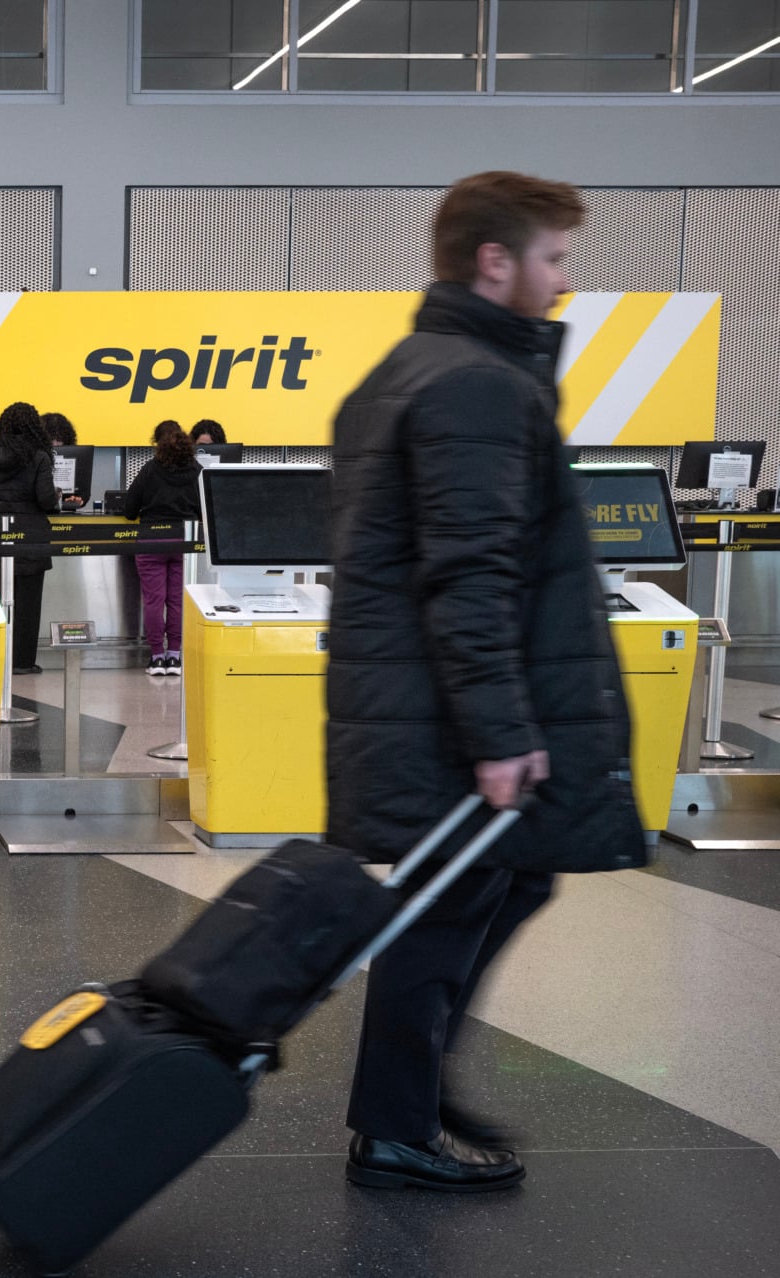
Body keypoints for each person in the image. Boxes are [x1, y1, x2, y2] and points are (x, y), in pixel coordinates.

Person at [330, 171, 644, 1193]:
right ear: (494, 261)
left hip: (423, 706)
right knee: (453, 901)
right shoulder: (475, 382)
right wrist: (501, 732)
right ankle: (396, 1126)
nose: (564, 281)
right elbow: (468, 573)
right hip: (449, 717)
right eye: (552, 258)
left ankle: (417, 1093)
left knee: (507, 878)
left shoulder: (411, 369)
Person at [0, 401, 65, 676]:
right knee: (28, 604)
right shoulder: (39, 456)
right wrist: (56, 497)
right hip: (31, 535)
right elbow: (44, 499)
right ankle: (22, 662)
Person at [121, 419, 201, 675]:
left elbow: (129, 510)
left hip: (151, 540)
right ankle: (175, 656)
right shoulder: (197, 471)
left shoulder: (150, 469)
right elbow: (204, 509)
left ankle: (156, 657)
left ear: (159, 446)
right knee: (177, 600)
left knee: (154, 600)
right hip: (183, 542)